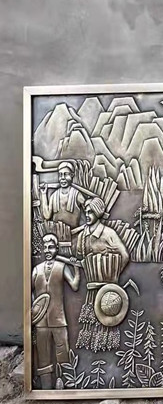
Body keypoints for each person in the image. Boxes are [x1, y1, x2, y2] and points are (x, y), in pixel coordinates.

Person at [75, 197, 130, 351]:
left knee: (108, 323)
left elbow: (124, 255)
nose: (87, 215)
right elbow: (81, 259)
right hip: (91, 289)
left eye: (91, 212)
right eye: (86, 212)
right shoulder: (82, 236)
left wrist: (113, 273)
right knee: (91, 325)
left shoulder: (108, 233)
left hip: (108, 291)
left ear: (98, 212)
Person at [31, 234, 80, 389]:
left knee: (63, 353)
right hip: (41, 321)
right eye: (45, 247)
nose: (47, 250)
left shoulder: (62, 267)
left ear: (56, 249)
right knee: (43, 357)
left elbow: (75, 286)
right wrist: (34, 308)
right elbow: (28, 292)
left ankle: (65, 385)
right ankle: (46, 387)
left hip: (58, 319)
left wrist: (76, 268)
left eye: (51, 247)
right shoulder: (36, 269)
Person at [39, 162, 86, 232]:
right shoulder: (54, 196)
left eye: (66, 174)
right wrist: (43, 194)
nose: (63, 178)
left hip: (75, 234)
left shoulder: (77, 195)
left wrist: (79, 229)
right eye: (60, 175)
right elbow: (47, 216)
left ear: (72, 175)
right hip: (56, 234)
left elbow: (89, 215)